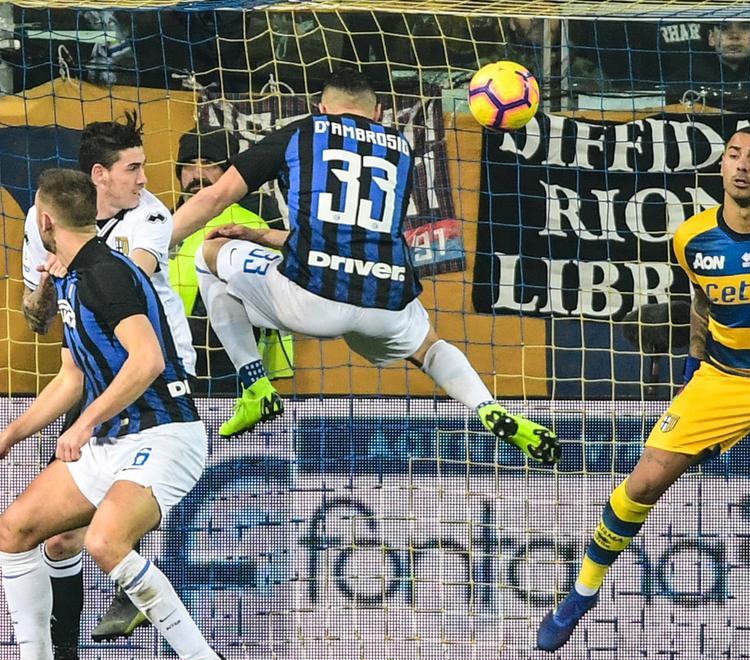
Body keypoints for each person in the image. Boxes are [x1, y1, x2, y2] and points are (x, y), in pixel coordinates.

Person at [536, 125, 750, 652]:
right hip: (722, 379)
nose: (742, 165)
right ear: (721, 168)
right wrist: (693, 369)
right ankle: (580, 593)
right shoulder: (690, 237)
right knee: (643, 483)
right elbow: (702, 305)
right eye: (734, 155)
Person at [169, 69, 559, 463]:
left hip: (310, 300)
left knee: (211, 251)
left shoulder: (302, 132)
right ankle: (485, 405)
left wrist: (157, 246)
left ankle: (254, 387)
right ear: (378, 113)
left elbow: (215, 198)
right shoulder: (401, 149)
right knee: (429, 345)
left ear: (322, 109)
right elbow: (350, 235)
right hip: (383, 302)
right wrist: (262, 236)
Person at [0, 169, 236, 660]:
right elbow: (73, 376)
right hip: (114, 439)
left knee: (106, 542)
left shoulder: (104, 275)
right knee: (15, 530)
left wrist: (83, 423)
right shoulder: (74, 275)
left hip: (165, 434)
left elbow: (147, 360)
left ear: (44, 221)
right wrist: (11, 434)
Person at [19, 113, 197, 660]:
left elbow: (125, 295)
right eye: (133, 169)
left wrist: (76, 267)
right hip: (97, 378)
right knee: (48, 535)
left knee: (99, 538)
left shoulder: (142, 225)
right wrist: (53, 283)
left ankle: (133, 585)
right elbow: (42, 321)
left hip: (153, 386)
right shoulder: (52, 229)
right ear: (97, 176)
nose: (145, 180)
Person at [169, 129, 293, 395]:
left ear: (229, 172)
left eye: (208, 164)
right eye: (189, 166)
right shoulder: (165, 222)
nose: (197, 174)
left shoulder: (253, 216)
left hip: (229, 348)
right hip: (171, 349)